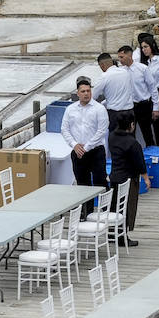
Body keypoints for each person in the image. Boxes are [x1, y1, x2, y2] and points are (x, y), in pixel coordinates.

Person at [59, 75, 109, 217]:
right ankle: (85, 213)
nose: (86, 93)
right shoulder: (70, 109)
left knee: (100, 181)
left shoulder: (99, 108)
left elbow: (102, 130)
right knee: (82, 184)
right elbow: (64, 129)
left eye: (88, 91)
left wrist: (86, 147)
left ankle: (105, 212)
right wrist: (75, 145)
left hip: (95, 150)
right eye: (83, 91)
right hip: (77, 151)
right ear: (77, 93)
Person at [106, 110, 150, 247]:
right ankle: (122, 236)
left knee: (114, 206)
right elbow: (140, 163)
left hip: (114, 176)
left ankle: (112, 233)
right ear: (131, 124)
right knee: (126, 207)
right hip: (128, 178)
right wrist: (146, 178)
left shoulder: (112, 137)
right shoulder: (132, 143)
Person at [119, 44, 156, 147]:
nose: (120, 60)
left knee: (147, 133)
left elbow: (152, 88)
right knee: (129, 134)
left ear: (129, 55)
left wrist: (156, 107)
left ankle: (152, 155)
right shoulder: (121, 71)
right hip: (129, 106)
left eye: (122, 57)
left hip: (143, 104)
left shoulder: (142, 68)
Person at [96, 51, 133, 129]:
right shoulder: (125, 72)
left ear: (102, 65)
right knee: (130, 138)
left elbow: (93, 96)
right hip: (129, 111)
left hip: (115, 114)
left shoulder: (104, 76)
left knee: (115, 139)